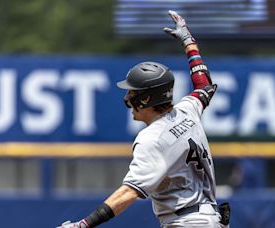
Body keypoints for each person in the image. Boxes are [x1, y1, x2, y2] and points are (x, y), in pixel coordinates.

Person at [58, 10, 230, 228]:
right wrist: (189, 42)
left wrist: (83, 224)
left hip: (188, 222)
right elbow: (204, 85)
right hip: (209, 218)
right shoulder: (187, 110)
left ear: (146, 98)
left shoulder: (152, 138)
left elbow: (129, 193)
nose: (127, 97)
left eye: (132, 92)